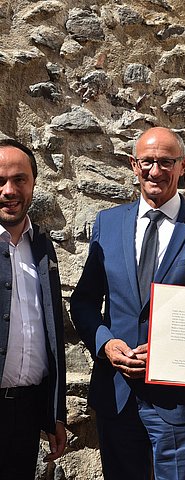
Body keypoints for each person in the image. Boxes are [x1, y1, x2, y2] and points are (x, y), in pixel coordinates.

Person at [70, 127, 185, 480]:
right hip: (118, 396)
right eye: (147, 162)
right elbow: (84, 302)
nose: (156, 171)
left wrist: (177, 349)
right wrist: (106, 344)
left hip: (180, 402)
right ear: (134, 165)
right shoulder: (108, 224)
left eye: (166, 162)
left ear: (183, 165)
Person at [0, 139, 67, 478]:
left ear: (34, 184)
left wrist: (55, 412)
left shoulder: (42, 246)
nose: (9, 190)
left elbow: (51, 332)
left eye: (19, 179)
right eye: (0, 181)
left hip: (27, 414)